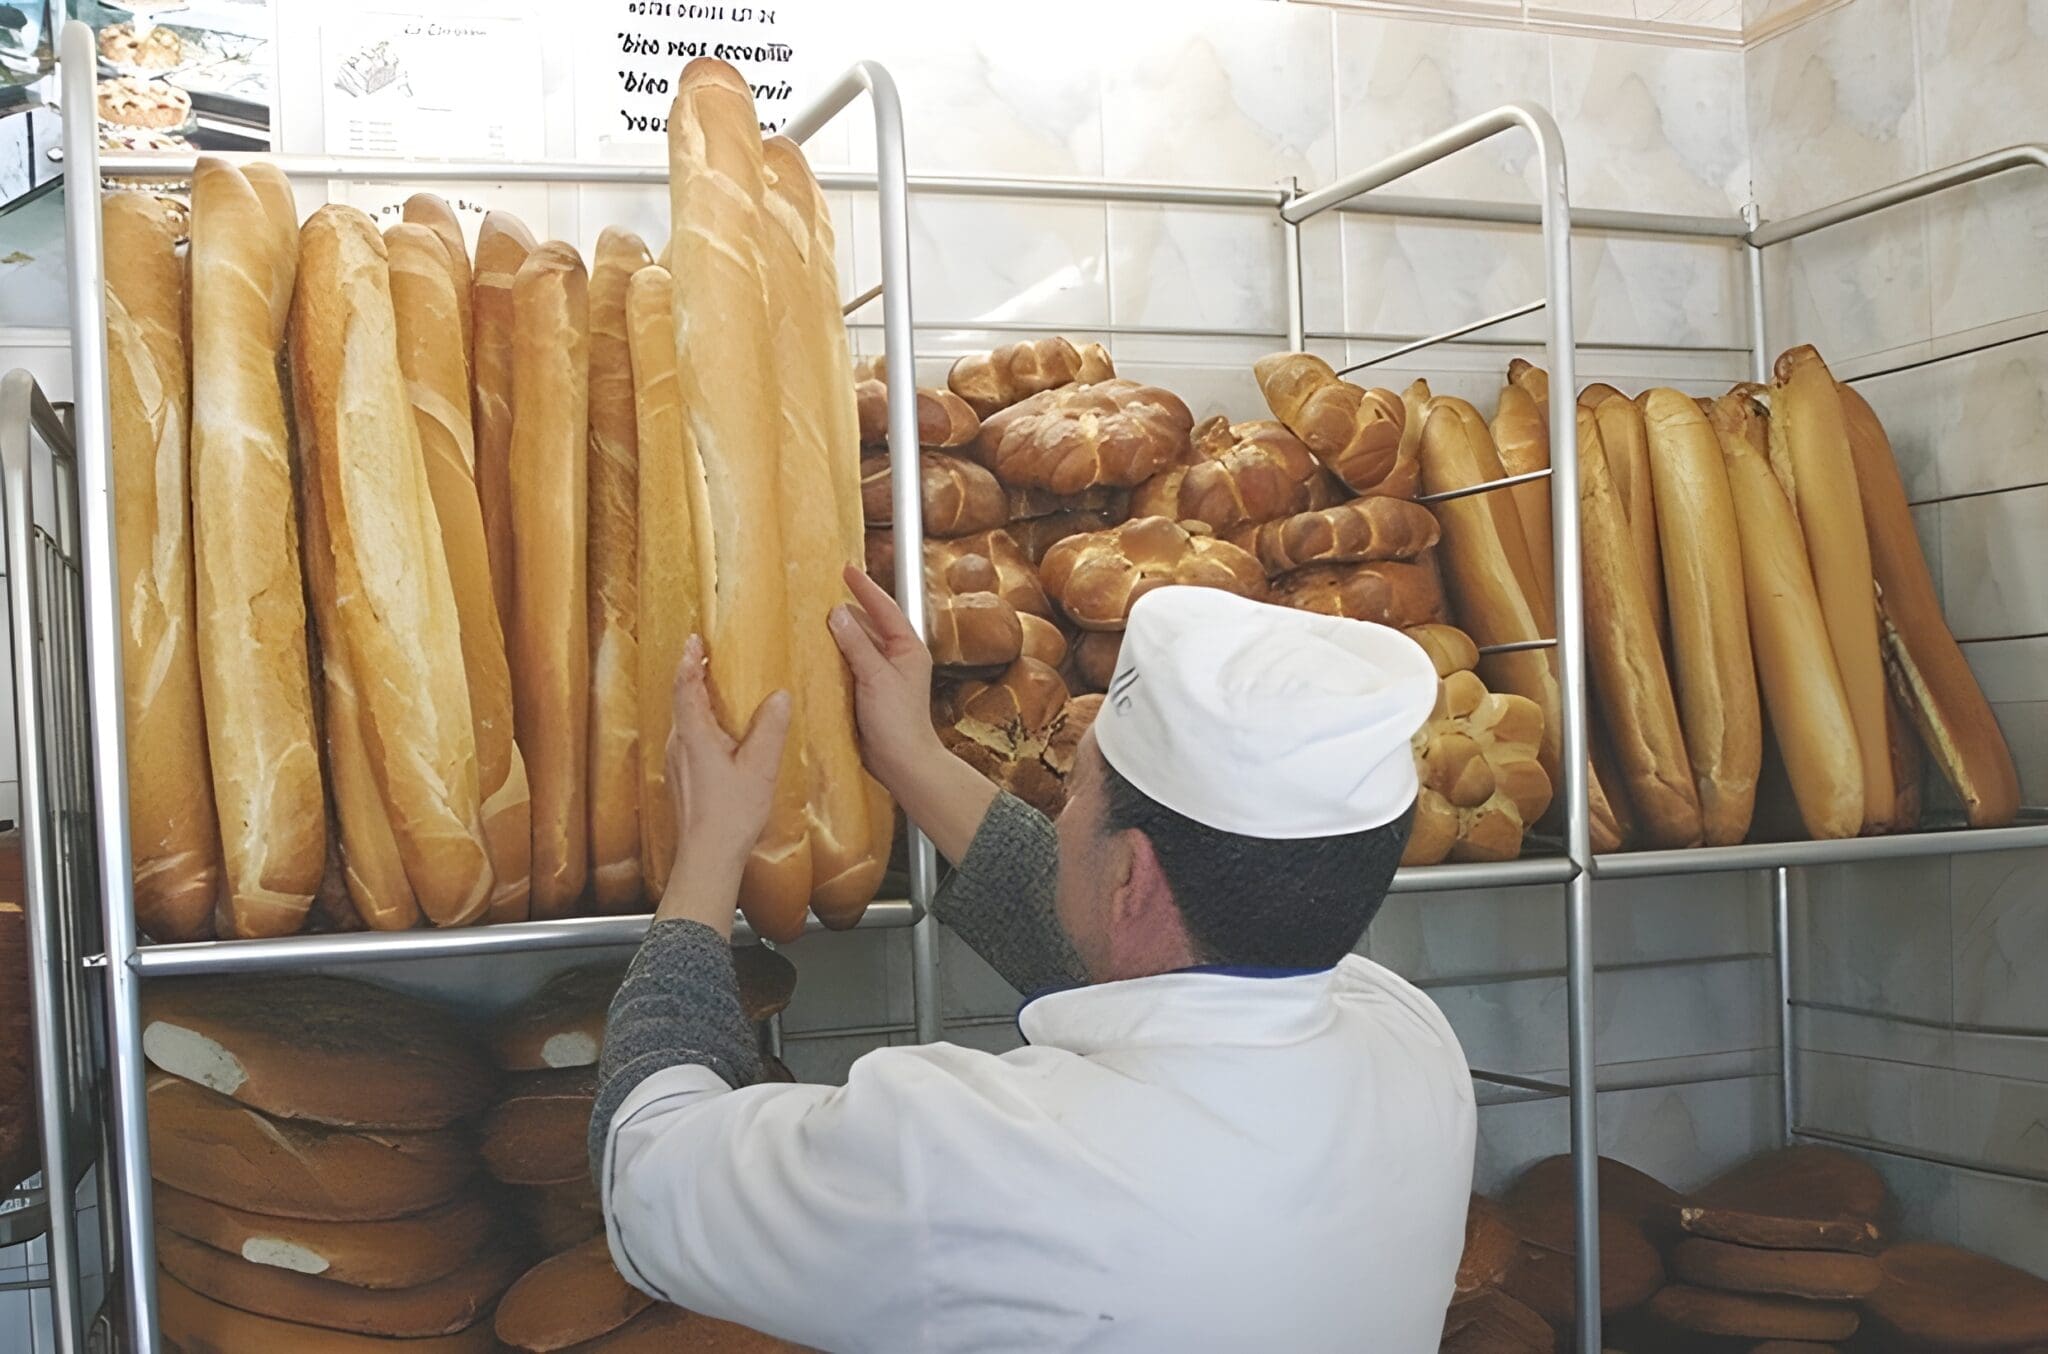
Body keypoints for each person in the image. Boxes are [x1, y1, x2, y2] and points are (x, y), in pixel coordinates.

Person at [588, 572, 1477, 1353]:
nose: (1061, 813)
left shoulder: (983, 1165)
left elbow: (648, 1170)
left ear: (1131, 873)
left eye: (1079, 787)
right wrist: (913, 758)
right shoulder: (1410, 1044)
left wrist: (709, 849)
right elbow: (1143, 964)